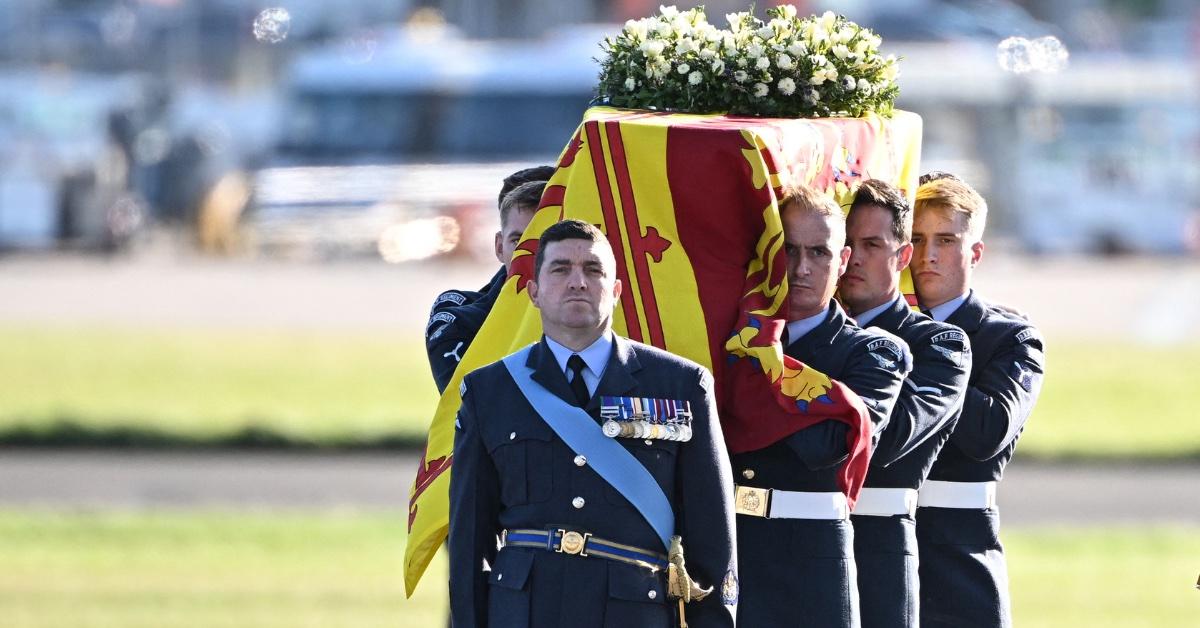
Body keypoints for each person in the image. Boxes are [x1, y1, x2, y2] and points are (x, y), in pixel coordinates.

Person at [448, 219, 737, 628]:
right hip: (525, 611)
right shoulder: (490, 391)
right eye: (561, 269)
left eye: (594, 270)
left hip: (633, 612)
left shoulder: (681, 385)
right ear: (533, 292)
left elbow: (713, 545)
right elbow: (469, 542)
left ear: (617, 291)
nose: (578, 282)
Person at [732, 185, 911, 627]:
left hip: (811, 562)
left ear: (843, 261)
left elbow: (828, 444)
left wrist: (758, 370)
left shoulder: (873, 352)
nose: (802, 268)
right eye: (788, 251)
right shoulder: (733, 338)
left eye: (820, 253)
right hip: (733, 548)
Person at [909, 177, 1045, 628]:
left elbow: (986, 432)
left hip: (959, 560)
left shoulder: (1009, 338)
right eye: (916, 239)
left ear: (975, 253)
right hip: (876, 548)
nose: (927, 255)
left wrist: (911, 354)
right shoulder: (871, 328)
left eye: (945, 241)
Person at [839, 179, 972, 628]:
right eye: (846, 243)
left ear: (904, 256)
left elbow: (884, 442)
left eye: (872, 244)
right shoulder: (802, 337)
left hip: (878, 557)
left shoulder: (939, 345)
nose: (854, 257)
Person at [425, 167, 553, 393]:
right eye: (520, 240)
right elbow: (475, 403)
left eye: (547, 238)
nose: (533, 254)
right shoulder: (459, 315)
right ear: (499, 246)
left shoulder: (603, 308)